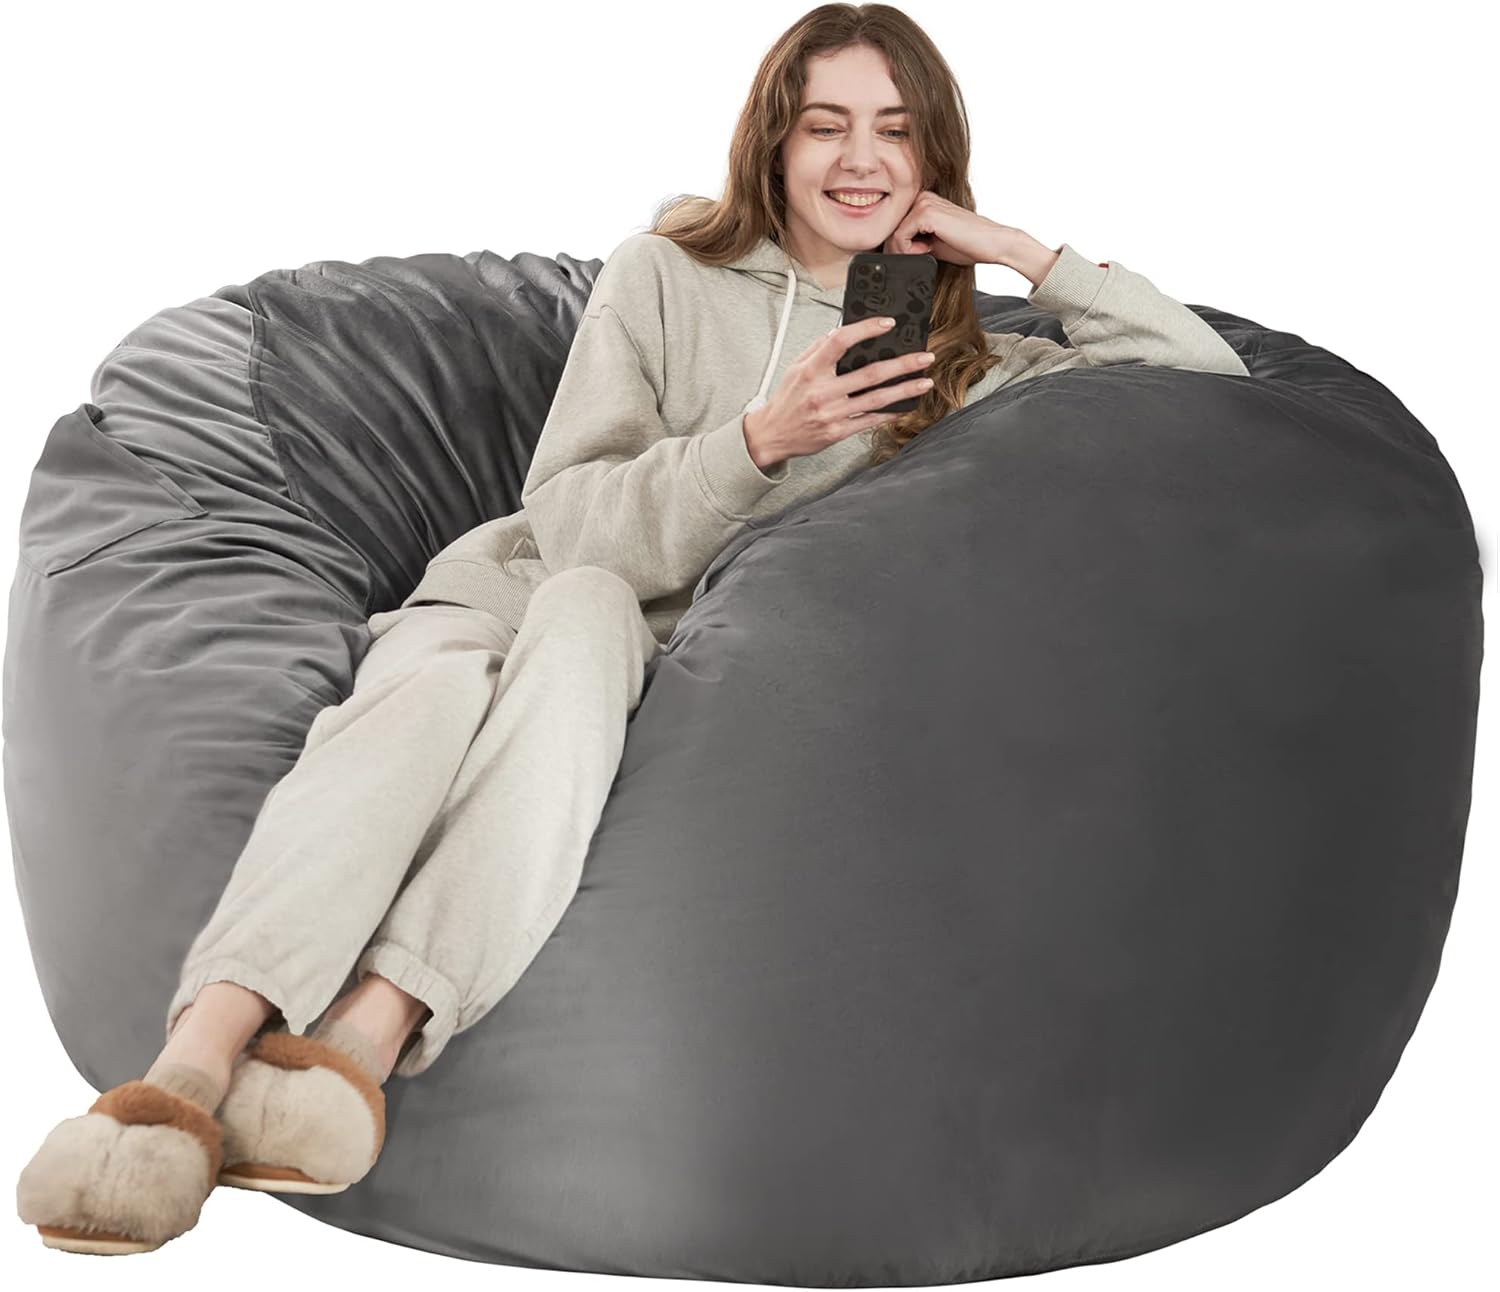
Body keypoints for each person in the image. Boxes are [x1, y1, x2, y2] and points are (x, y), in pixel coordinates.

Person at [17, 2, 1250, 1256]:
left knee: (593, 620)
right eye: (826, 125)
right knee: (416, 701)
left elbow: (1215, 390)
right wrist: (758, 441)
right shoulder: (662, 274)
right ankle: (187, 1065)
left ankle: (365, 1036)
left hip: (639, 658)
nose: (860, 159)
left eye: (896, 131)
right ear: (774, 144)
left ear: (935, 155)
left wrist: (1020, 251)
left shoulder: (955, 365)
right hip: (505, 589)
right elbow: (567, 516)